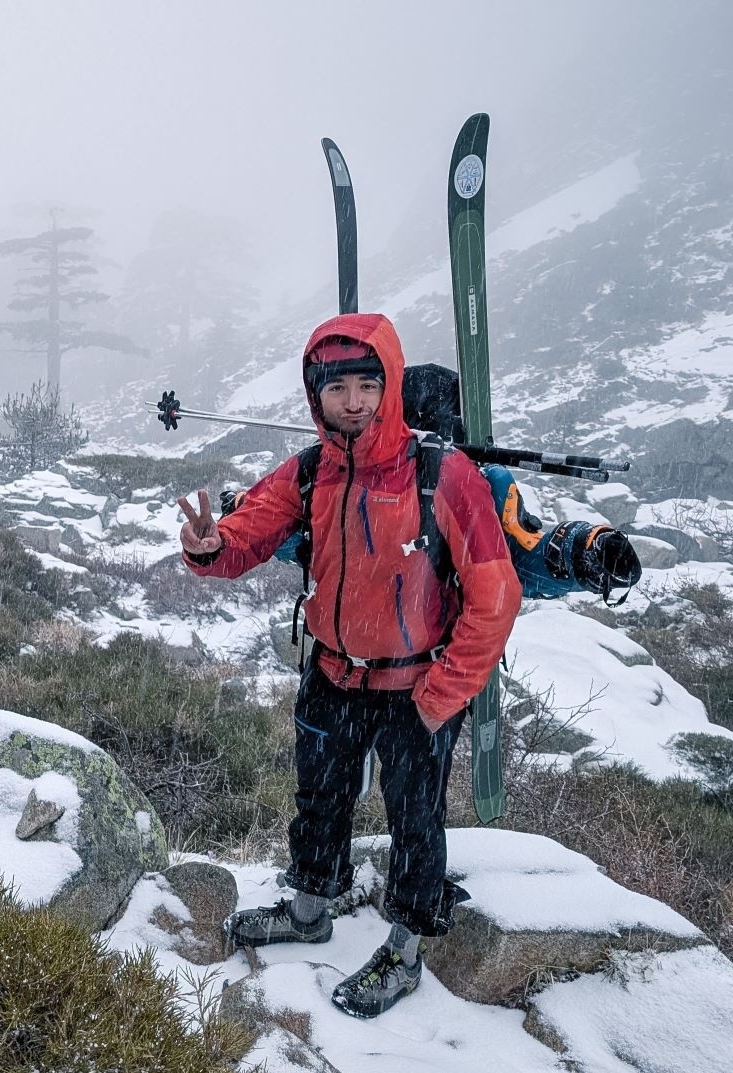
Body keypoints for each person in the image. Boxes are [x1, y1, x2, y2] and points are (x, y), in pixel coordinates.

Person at [176, 312, 521, 1019]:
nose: (354, 401)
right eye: (339, 389)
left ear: (390, 387)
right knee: (320, 799)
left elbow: (495, 592)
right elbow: (251, 532)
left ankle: (406, 944)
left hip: (415, 684)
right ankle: (310, 909)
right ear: (316, 394)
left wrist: (440, 696)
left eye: (369, 384)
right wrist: (212, 543)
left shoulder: (441, 474)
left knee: (415, 820)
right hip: (333, 671)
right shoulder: (313, 471)